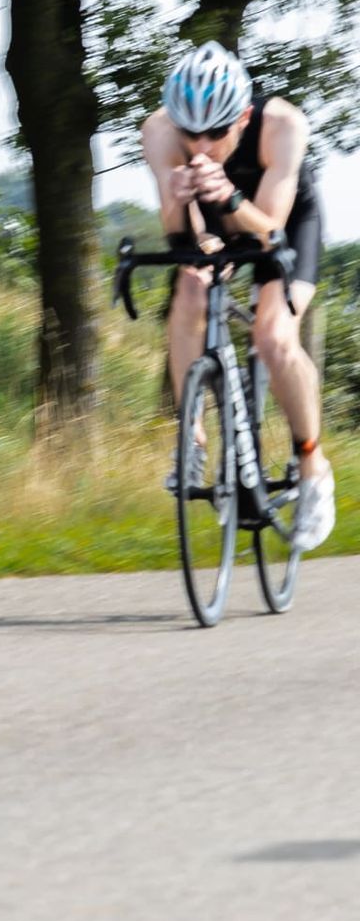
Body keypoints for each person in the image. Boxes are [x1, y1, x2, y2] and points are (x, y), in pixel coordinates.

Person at [143, 40, 334, 549]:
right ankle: (193, 439)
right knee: (189, 288)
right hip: (216, 218)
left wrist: (226, 194)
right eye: (191, 133)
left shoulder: (283, 126)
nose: (202, 145)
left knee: (272, 336)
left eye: (217, 132)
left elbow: (269, 232)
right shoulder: (160, 131)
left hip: (282, 221)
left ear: (244, 117)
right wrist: (185, 210)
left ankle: (312, 463)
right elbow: (177, 231)